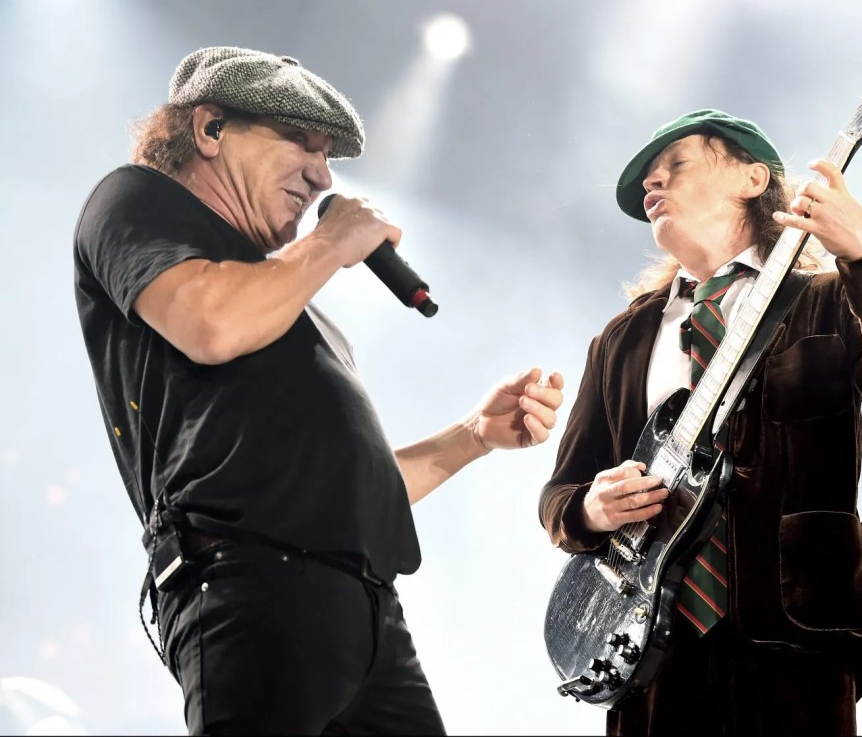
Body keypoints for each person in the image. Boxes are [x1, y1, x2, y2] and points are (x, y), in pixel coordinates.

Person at [73, 46, 565, 736]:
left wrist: (473, 436)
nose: (321, 173)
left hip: (365, 610)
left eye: (327, 153)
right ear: (210, 129)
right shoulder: (133, 199)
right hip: (250, 587)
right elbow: (209, 323)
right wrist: (332, 242)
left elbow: (345, 487)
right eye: (300, 142)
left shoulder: (294, 309)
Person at [539, 109, 862, 736]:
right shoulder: (622, 339)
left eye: (677, 165)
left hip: (794, 637)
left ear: (754, 178)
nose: (654, 184)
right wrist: (591, 508)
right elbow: (559, 496)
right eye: (648, 180)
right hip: (647, 646)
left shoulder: (830, 299)